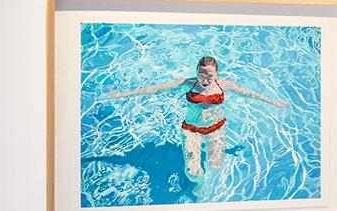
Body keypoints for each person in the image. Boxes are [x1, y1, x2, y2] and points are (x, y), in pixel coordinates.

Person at [105, 56, 288, 187]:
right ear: (196, 72)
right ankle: (198, 186)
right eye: (201, 74)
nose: (205, 79)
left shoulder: (224, 85)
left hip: (216, 129)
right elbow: (156, 89)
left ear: (217, 74)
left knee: (215, 167)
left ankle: (209, 186)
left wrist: (273, 102)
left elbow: (249, 94)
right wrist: (123, 94)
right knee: (192, 173)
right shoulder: (188, 83)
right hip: (192, 129)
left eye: (209, 75)